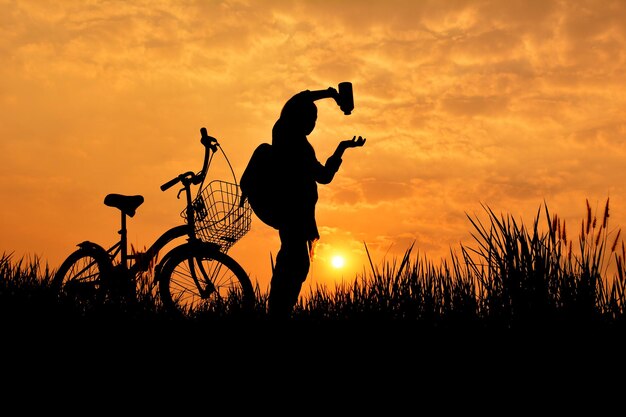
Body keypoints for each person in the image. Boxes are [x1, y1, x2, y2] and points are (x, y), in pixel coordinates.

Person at [268, 87, 366, 319]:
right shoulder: (285, 135)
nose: (312, 123)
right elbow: (297, 99)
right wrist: (330, 93)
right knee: (294, 263)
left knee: (295, 263)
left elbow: (323, 177)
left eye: (315, 119)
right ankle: (278, 313)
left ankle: (279, 311)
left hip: (301, 214)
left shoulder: (299, 144)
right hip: (292, 212)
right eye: (309, 118)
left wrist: (341, 149)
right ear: (297, 118)